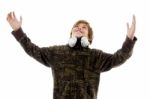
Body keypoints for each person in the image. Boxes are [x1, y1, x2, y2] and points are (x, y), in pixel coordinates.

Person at [7, 11, 137, 99]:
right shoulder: (57, 52)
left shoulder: (96, 56)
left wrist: (129, 40)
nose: (79, 28)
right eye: (77, 26)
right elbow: (32, 50)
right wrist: (18, 31)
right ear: (71, 34)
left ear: (89, 38)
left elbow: (119, 57)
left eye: (84, 27)